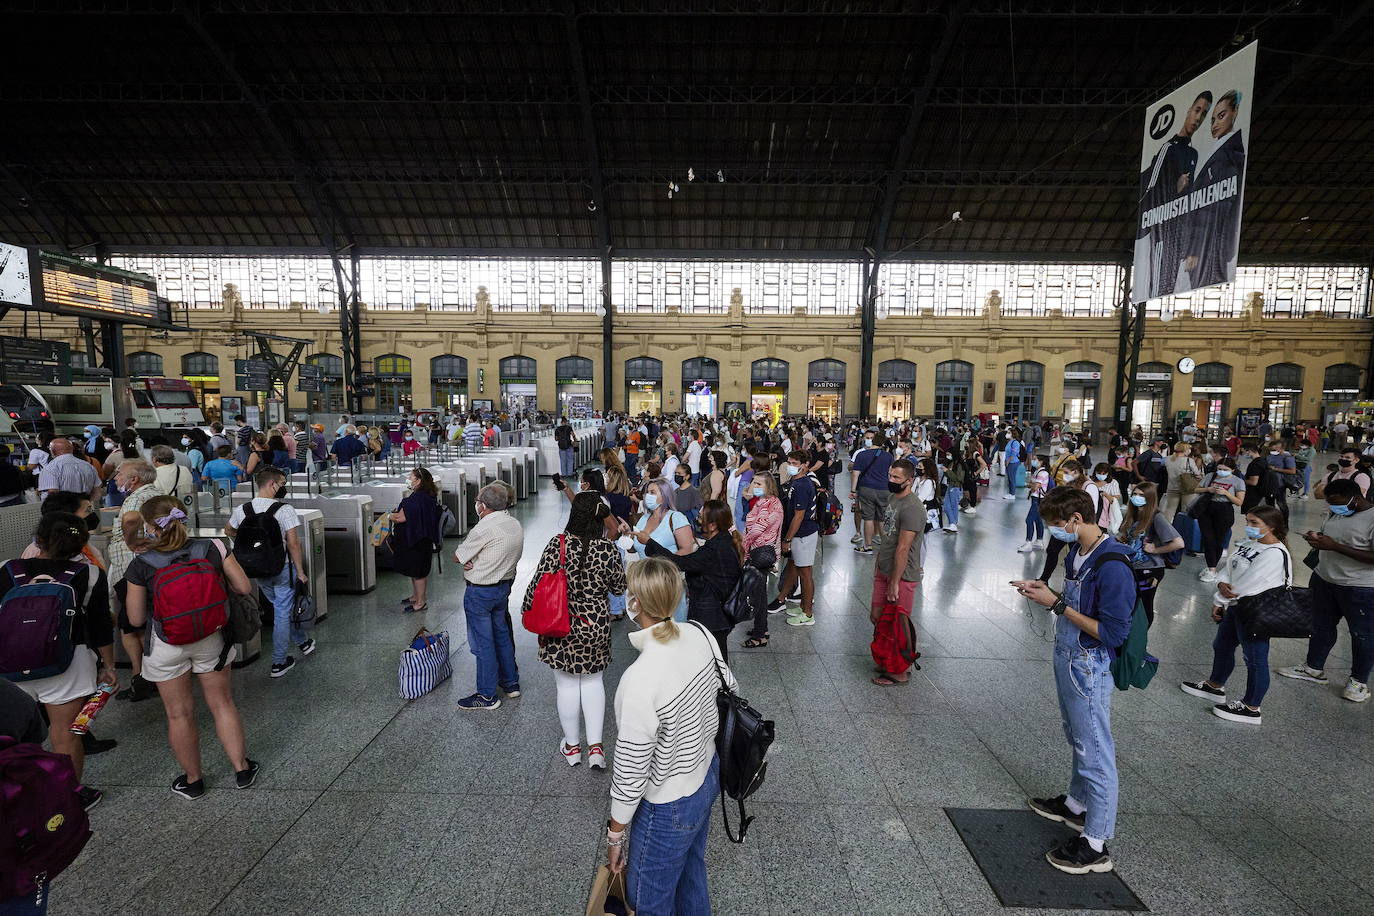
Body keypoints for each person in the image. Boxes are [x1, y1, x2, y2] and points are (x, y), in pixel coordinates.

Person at [1014, 487, 1135, 875]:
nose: (1055, 532)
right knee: (1078, 737)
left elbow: (1113, 633)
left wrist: (1057, 605)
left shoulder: (1112, 564)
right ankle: (1077, 807)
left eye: (1057, 524)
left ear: (1076, 520)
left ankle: (1096, 841)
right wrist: (1047, 594)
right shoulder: (1079, 552)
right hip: (1068, 657)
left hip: (1089, 665)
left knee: (1095, 749)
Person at [606, 557, 734, 915]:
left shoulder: (639, 680)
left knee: (649, 900)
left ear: (636, 604)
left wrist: (615, 834)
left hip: (668, 805)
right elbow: (729, 691)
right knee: (692, 873)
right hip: (707, 777)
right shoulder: (700, 634)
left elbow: (632, 772)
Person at [123, 496, 258, 798]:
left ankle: (194, 780)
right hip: (211, 637)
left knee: (179, 714)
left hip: (167, 643)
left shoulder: (141, 563)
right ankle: (241, 768)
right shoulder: (213, 547)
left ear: (149, 527)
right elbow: (244, 587)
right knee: (222, 703)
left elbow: (135, 618)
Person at [0, 512, 115, 811]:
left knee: (12, 736)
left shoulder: (6, 569)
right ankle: (70, 798)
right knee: (66, 734)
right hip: (69, 662)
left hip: (9, 665)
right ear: (81, 544)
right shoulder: (90, 575)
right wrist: (109, 665)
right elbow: (101, 626)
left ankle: (16, 797)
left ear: (39, 539)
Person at [522, 492, 625, 767]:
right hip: (595, 624)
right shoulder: (607, 549)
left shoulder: (558, 544)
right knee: (593, 682)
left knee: (566, 685)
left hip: (560, 624)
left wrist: (527, 610)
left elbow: (537, 583)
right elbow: (618, 588)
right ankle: (596, 749)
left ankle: (572, 746)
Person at [1180, 506, 1291, 724]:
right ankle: (1215, 685)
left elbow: (1249, 584)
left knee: (1255, 659)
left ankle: (1252, 707)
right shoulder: (1250, 545)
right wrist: (1220, 584)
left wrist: (1220, 599)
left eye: (1254, 523)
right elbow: (1229, 569)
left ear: (1272, 526)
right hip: (1236, 606)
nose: (1248, 527)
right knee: (1222, 645)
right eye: (1248, 521)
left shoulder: (1275, 553)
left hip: (1255, 612)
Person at [1278, 479, 1374, 704]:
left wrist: (1335, 546)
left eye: (1337, 502)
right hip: (1324, 578)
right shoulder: (1338, 512)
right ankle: (1313, 668)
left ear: (1355, 498)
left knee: (1362, 634)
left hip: (1359, 587)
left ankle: (1358, 681)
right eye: (1330, 503)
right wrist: (1317, 539)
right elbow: (1331, 536)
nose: (1332, 507)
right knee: (1321, 626)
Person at [224, 467, 313, 678]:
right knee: (283, 612)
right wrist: (300, 571)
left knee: (280, 607)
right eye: (282, 484)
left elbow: (228, 529)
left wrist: (247, 546)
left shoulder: (243, 509)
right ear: (272, 484)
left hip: (257, 568)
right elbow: (293, 544)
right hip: (281, 566)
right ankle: (279, 662)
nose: (284, 488)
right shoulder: (284, 510)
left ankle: (303, 642)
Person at [639, 499, 742, 661]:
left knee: (716, 658)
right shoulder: (724, 540)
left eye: (701, 518)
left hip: (713, 615)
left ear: (713, 525)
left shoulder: (714, 549)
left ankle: (722, 685)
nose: (697, 520)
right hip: (718, 612)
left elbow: (678, 562)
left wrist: (649, 542)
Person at [452, 483, 524, 710]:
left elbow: (458, 556)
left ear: (482, 505)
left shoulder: (484, 527)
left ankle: (486, 695)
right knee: (501, 635)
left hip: (481, 592)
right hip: (503, 588)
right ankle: (511, 683)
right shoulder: (513, 523)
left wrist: (471, 560)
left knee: (483, 644)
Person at [105, 459, 163, 701]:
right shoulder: (157, 493)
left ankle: (141, 677)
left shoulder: (136, 497)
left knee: (131, 625)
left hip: (130, 567)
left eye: (120, 474)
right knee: (145, 621)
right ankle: (152, 675)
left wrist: (129, 541)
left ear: (134, 479)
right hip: (149, 566)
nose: (116, 478)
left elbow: (130, 519)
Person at [1182, 89, 1246, 290]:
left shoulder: (1225, 158)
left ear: (1235, 113)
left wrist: (1194, 249)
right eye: (1212, 120)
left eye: (1221, 116)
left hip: (1209, 248)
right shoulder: (1225, 153)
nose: (1215, 124)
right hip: (1212, 246)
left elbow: (1211, 207)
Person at [870, 458, 924, 686]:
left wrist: (894, 582)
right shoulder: (893, 498)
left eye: (896, 478)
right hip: (885, 568)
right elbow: (889, 536)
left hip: (901, 575)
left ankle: (899, 670)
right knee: (878, 617)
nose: (891, 481)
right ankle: (887, 659)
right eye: (890, 476)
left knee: (897, 624)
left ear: (909, 481)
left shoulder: (913, 508)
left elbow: (903, 548)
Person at [1115, 481, 1183, 625]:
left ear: (1150, 498)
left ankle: (1140, 639)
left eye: (1141, 495)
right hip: (1132, 567)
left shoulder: (1157, 517)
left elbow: (1178, 543)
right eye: (1135, 494)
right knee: (1130, 604)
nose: (1136, 497)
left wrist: (1155, 549)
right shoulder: (1132, 515)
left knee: (1144, 605)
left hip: (1150, 569)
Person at [767, 452, 821, 626]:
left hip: (803, 533)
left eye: (795, 463)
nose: (790, 465)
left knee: (805, 574)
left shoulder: (802, 485)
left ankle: (808, 614)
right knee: (793, 568)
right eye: (789, 462)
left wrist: (787, 539)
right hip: (798, 533)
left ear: (805, 464)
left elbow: (799, 516)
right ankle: (793, 602)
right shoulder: (795, 481)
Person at [632, 478, 694, 623]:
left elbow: (687, 551)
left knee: (673, 626)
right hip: (646, 584)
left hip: (668, 583)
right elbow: (636, 548)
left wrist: (662, 567)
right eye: (647, 492)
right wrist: (627, 537)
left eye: (652, 492)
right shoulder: (644, 518)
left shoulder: (676, 518)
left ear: (664, 495)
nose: (648, 496)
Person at [389, 467, 444, 614]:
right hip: (420, 539)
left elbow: (401, 517)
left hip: (417, 540)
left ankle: (420, 602)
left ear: (418, 481)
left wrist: (387, 516)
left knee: (418, 571)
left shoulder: (418, 498)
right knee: (414, 569)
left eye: (410, 477)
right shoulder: (426, 495)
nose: (408, 479)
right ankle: (415, 596)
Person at [741, 472, 784, 649]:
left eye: (759, 483)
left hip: (761, 553)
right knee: (759, 593)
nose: (755, 485)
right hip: (756, 551)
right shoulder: (762, 502)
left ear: (769, 486)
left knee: (757, 594)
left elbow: (756, 529)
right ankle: (762, 628)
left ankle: (760, 635)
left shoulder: (772, 504)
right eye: (754, 482)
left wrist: (742, 543)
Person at [851, 431, 893, 553]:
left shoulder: (862, 455)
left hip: (866, 489)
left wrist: (853, 490)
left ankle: (867, 546)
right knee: (882, 518)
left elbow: (855, 473)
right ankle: (886, 547)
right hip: (884, 489)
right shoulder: (888, 456)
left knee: (868, 518)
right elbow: (891, 473)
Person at [36, 437, 100, 502]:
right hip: (85, 509)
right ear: (71, 449)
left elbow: (53, 495)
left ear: (52, 450)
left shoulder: (50, 468)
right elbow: (97, 491)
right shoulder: (88, 466)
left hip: (63, 510)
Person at [1019, 453, 1051, 552]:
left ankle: (1028, 542)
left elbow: (1035, 486)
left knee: (1029, 520)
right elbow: (1032, 484)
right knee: (1038, 520)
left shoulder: (1042, 473)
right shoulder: (1038, 471)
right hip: (1036, 498)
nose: (1033, 461)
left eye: (1035, 459)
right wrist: (1032, 485)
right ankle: (1039, 540)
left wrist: (1031, 485)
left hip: (1038, 499)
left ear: (1041, 462)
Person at [1161, 442, 1200, 521]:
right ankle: (1182, 528)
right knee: (1185, 510)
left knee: (1170, 509)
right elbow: (1197, 474)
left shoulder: (1168, 459)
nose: (1190, 450)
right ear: (1185, 450)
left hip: (1172, 487)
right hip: (1187, 488)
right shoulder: (1189, 460)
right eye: (1189, 449)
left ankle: (1165, 527)